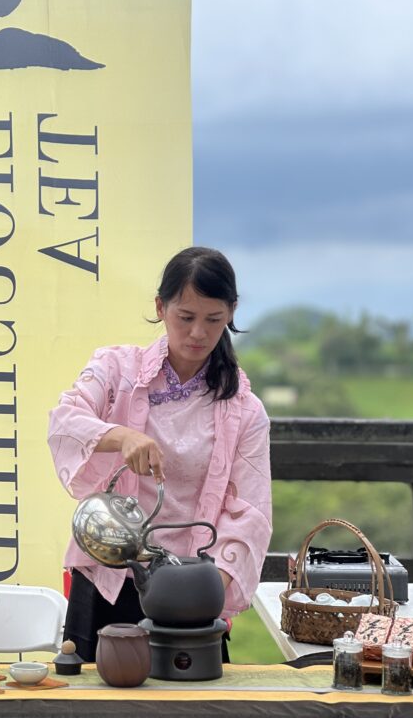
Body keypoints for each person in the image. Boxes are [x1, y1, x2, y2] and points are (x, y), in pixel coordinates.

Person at [47, 246, 272, 662]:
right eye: (185, 317)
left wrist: (207, 588)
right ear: (160, 307)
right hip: (109, 575)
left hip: (191, 588)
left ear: (232, 313)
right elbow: (65, 419)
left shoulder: (245, 411)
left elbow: (250, 513)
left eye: (214, 320)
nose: (198, 334)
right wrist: (122, 437)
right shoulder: (115, 370)